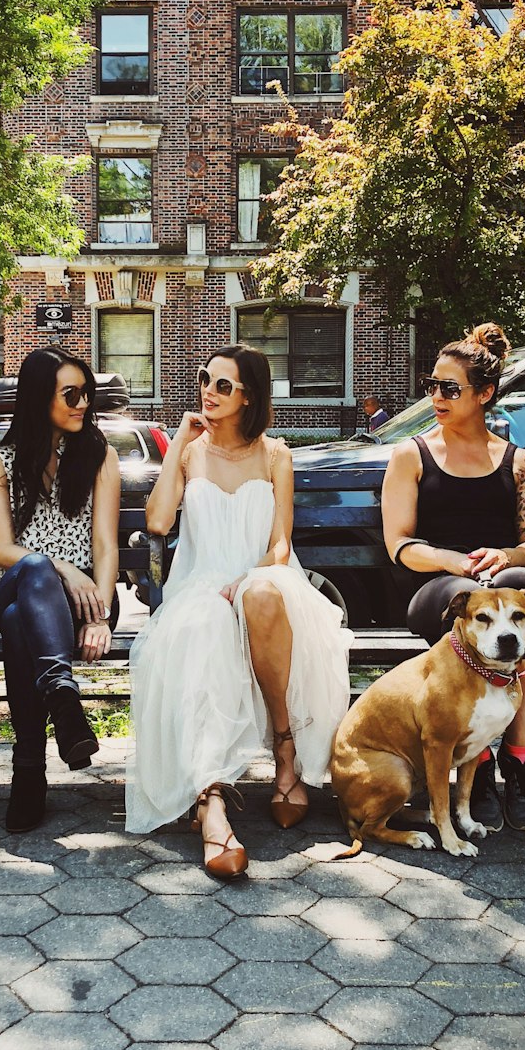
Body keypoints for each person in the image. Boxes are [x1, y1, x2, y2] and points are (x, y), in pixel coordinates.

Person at [126, 345, 352, 879]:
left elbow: (281, 544)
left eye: (223, 385)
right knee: (205, 624)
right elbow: (158, 524)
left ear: (249, 395)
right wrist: (182, 438)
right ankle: (212, 802)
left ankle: (286, 751)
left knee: (263, 594)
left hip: (262, 576)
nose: (209, 390)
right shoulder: (190, 452)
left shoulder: (276, 455)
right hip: (198, 587)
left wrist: (249, 576)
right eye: (206, 379)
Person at [381, 321, 525, 831]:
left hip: (501, 583)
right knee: (467, 598)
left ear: (484, 394)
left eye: (449, 388)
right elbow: (399, 544)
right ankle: (474, 762)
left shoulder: (517, 461)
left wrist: (507, 554)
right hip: (434, 583)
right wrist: (451, 560)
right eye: (431, 385)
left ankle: (519, 757)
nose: (436, 396)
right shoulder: (410, 455)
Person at [0, 346, 120, 833]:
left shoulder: (99, 455)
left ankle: (30, 769)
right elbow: (1, 550)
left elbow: (105, 544)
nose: (82, 403)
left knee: (23, 623)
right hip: (22, 584)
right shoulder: (0, 461)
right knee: (34, 572)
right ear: (40, 399)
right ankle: (61, 694)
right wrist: (61, 566)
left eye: (86, 394)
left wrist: (100, 613)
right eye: (70, 394)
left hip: (86, 603)